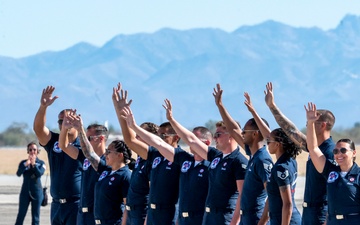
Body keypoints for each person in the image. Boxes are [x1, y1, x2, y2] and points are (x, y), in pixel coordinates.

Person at [128, 96, 248, 225]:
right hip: (204, 217)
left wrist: (234, 223)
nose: (215, 138)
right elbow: (163, 143)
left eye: (218, 134)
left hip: (222, 217)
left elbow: (243, 196)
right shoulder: (215, 157)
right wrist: (135, 126)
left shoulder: (238, 161)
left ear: (231, 135)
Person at [124, 98, 211, 225]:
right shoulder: (178, 158)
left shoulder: (209, 161)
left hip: (178, 215)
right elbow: (156, 143)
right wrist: (133, 126)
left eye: (163, 135)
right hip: (158, 214)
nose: (191, 142)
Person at [264, 82, 335, 225]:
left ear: (323, 125)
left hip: (321, 214)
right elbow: (291, 131)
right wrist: (272, 106)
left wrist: (327, 219)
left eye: (311, 122)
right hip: (309, 213)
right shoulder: (313, 147)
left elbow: (335, 188)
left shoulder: (330, 152)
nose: (307, 125)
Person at [112, 83, 181, 225]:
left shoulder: (180, 158)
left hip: (159, 214)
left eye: (141, 134)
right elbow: (129, 139)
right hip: (140, 213)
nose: (137, 137)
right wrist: (119, 109)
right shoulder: (153, 156)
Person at [213, 84, 273, 225]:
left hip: (256, 218)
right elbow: (233, 129)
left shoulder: (263, 160)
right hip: (246, 217)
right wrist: (220, 105)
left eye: (244, 131)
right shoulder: (252, 154)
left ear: (255, 134)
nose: (241, 134)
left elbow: (272, 196)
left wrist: (262, 222)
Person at [64, 111, 132, 225]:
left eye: (109, 151)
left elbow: (128, 207)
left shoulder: (125, 175)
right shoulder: (106, 171)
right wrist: (80, 130)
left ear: (120, 155)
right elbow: (89, 154)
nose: (106, 154)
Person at [33, 86, 82, 225]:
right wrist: (43, 107)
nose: (64, 123)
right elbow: (39, 130)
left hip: (76, 204)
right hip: (56, 205)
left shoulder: (83, 145)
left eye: (68, 120)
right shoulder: (53, 141)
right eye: (61, 121)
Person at [305, 102, 360, 224]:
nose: (339, 154)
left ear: (354, 153)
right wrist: (310, 123)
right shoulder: (331, 172)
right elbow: (313, 148)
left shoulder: (359, 175)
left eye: (343, 150)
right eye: (335, 151)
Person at [58, 120, 108, 225]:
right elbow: (64, 146)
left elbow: (91, 154)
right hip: (82, 215)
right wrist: (64, 128)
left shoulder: (108, 161)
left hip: (96, 215)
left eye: (89, 138)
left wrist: (80, 130)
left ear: (101, 139)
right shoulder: (85, 158)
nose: (85, 141)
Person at [15, 142, 46, 225]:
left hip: (37, 192)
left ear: (37, 151)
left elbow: (39, 173)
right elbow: (18, 173)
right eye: (30, 150)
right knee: (21, 215)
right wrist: (26, 164)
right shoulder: (23, 163)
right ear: (28, 151)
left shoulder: (41, 163)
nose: (32, 151)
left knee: (35, 217)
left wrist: (34, 164)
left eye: (34, 149)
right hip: (25, 192)